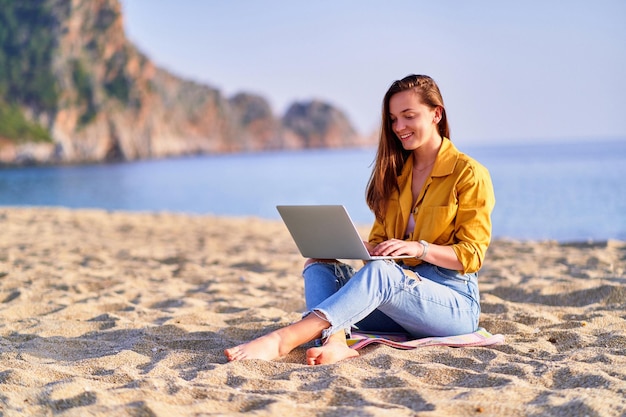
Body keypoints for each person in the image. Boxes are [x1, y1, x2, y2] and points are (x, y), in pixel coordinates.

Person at [225, 74, 495, 365]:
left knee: (384, 274)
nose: (399, 127)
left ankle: (284, 339)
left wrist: (420, 248)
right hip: (397, 302)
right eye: (393, 119)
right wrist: (358, 246)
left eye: (408, 116)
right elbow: (380, 249)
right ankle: (336, 340)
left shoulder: (468, 173)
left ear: (436, 114)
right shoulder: (395, 175)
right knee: (318, 266)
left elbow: (472, 255)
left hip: (451, 305)